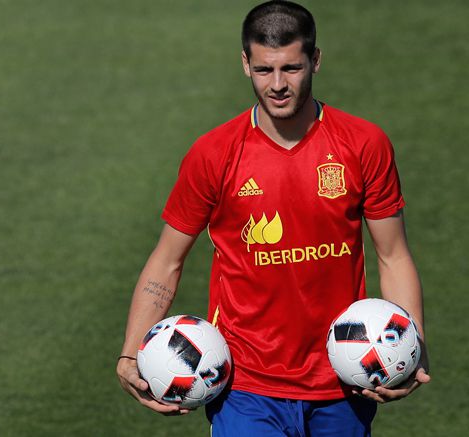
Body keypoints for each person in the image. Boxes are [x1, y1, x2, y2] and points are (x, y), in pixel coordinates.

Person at [116, 1, 430, 435]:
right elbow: (167, 260)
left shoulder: (363, 144)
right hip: (245, 385)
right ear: (245, 64)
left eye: (292, 69)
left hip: (342, 381)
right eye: (265, 70)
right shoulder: (213, 154)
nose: (278, 85)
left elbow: (393, 256)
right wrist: (132, 352)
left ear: (315, 60)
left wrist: (412, 345)